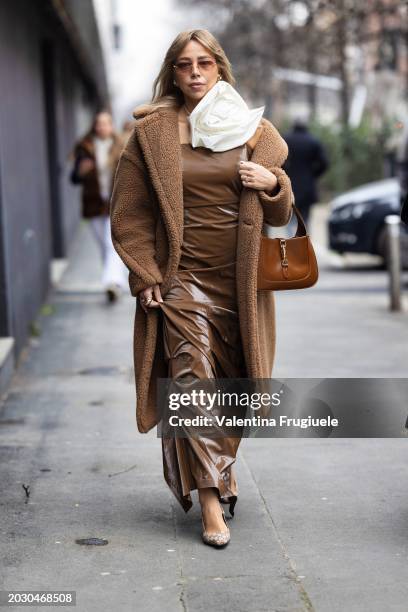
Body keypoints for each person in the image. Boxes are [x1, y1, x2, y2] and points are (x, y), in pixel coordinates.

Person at [110, 29, 294, 548]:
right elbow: (129, 216)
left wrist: (273, 185)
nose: (194, 72)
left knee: (232, 387)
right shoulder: (153, 135)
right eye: (185, 64)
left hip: (238, 283)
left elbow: (280, 210)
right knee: (191, 380)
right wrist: (146, 274)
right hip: (181, 281)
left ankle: (217, 469)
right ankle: (212, 504)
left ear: (219, 69)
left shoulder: (254, 129)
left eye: (204, 63)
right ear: (173, 73)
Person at [70, 111, 128, 302]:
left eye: (106, 123)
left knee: (112, 243)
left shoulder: (122, 146)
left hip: (115, 200)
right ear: (94, 126)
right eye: (99, 123)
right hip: (94, 202)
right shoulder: (85, 147)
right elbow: (74, 179)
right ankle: (114, 283)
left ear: (112, 126)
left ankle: (112, 282)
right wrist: (81, 172)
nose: (102, 127)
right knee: (104, 245)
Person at [283, 118, 328, 226]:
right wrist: (314, 174)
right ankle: (303, 241)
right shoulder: (313, 141)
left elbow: (278, 161)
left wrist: (283, 173)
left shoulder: (285, 140)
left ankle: (290, 242)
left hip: (289, 184)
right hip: (308, 186)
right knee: (305, 219)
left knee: (289, 218)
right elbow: (324, 163)